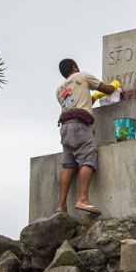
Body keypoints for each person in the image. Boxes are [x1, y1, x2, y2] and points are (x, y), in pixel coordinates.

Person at [55, 58, 120, 215]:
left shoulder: (59, 90)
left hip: (65, 127)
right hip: (80, 125)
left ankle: (61, 206)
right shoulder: (83, 76)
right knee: (87, 158)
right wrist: (115, 85)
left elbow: (76, 103)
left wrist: (94, 98)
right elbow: (107, 90)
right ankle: (83, 199)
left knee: (68, 166)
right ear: (74, 67)